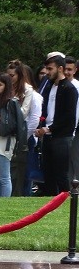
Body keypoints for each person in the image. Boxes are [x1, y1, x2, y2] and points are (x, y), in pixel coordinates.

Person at [38, 54, 79, 195]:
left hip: (62, 137)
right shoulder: (49, 87)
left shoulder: (69, 89)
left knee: (62, 174)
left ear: (60, 68)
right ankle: (49, 202)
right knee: (48, 173)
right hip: (48, 136)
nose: (47, 72)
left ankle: (66, 203)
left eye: (50, 69)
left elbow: (69, 117)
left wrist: (49, 128)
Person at [7, 62, 42, 196]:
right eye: (8, 75)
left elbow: (33, 119)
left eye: (13, 75)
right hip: (10, 135)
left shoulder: (31, 93)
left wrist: (23, 138)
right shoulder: (8, 89)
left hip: (25, 137)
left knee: (25, 172)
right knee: (12, 171)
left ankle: (24, 196)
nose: (10, 78)